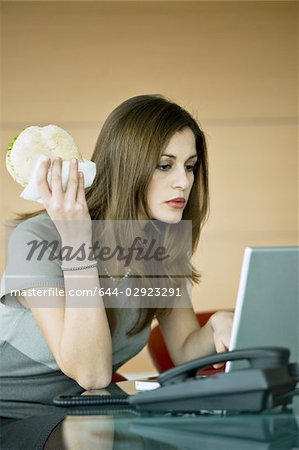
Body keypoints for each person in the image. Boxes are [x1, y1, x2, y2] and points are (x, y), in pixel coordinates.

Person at [0, 94, 233, 418]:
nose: (183, 181)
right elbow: (91, 372)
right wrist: (77, 240)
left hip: (87, 412)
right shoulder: (38, 238)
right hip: (13, 415)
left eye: (190, 167)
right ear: (127, 164)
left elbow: (183, 351)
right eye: (165, 166)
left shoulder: (160, 245)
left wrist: (216, 327)